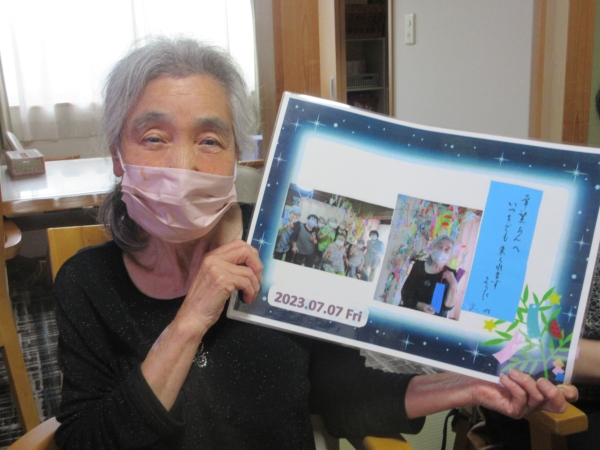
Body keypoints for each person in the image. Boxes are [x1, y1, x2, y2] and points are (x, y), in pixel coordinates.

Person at [54, 37, 576, 450]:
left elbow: (343, 398)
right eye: (153, 138)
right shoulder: (87, 283)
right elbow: (84, 440)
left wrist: (470, 386)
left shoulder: (279, 251)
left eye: (210, 140)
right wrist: (188, 322)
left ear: (237, 157)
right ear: (117, 156)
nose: (184, 165)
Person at [400, 235, 458, 317]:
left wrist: (453, 285)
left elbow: (447, 307)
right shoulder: (418, 266)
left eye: (447, 249)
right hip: (411, 315)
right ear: (433, 248)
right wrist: (418, 305)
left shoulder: (452, 274)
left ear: (451, 255)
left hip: (433, 321)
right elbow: (405, 293)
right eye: (439, 246)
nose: (442, 251)